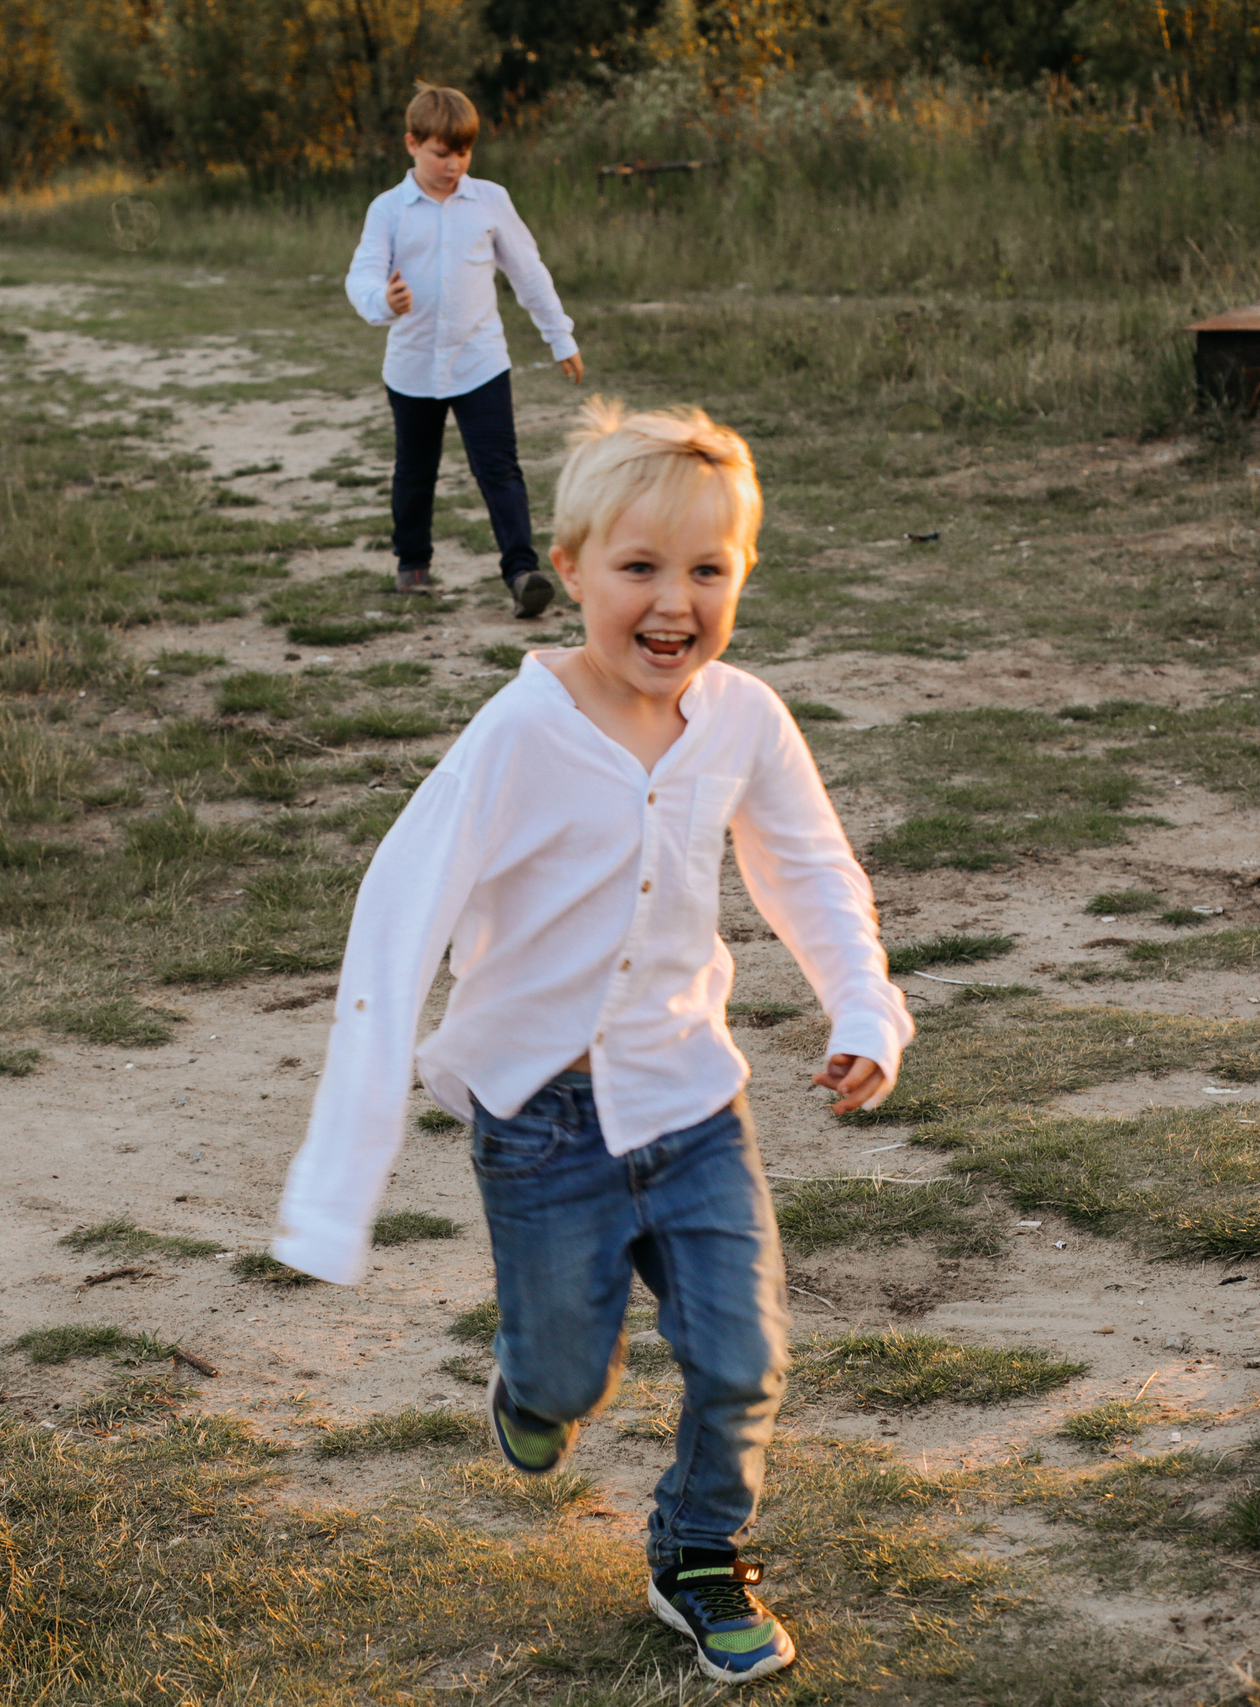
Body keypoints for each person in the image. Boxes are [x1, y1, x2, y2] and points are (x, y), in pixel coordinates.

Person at [270, 399, 914, 1685]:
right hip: (541, 1123)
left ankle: (699, 1552)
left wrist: (863, 1008)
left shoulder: (744, 718)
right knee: (572, 1378)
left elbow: (809, 868)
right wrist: (341, 1181)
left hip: (691, 1105)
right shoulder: (518, 736)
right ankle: (533, 1385)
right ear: (568, 570)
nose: (674, 603)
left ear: (742, 575)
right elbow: (398, 918)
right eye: (639, 568)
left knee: (743, 1357)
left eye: (708, 570)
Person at [345, 84, 583, 618]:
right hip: (412, 369)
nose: (453, 165)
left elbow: (528, 272)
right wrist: (383, 301)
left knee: (500, 469)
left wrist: (559, 336)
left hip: (481, 362)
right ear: (412, 144)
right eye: (441, 153)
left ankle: (522, 574)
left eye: (464, 153)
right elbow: (361, 276)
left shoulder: (490, 201)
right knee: (415, 472)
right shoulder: (388, 210)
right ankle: (413, 564)